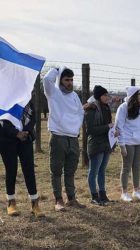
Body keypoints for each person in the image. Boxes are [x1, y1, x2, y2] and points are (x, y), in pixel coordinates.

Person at [43, 67, 85, 211]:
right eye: (67, 79)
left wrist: (75, 128)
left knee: (70, 170)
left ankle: (71, 198)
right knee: (56, 170)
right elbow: (46, 80)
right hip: (58, 136)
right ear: (60, 79)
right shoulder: (53, 92)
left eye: (71, 80)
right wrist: (56, 69)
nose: (70, 82)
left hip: (73, 138)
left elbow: (80, 113)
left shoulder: (74, 96)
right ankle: (58, 200)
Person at [0, 101, 45, 217]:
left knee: (29, 170)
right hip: (7, 139)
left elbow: (33, 115)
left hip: (25, 138)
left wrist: (27, 131)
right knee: (11, 170)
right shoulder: (4, 95)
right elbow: (2, 118)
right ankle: (11, 202)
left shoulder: (25, 94)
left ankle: (35, 203)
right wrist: (16, 133)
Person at [115, 86, 140, 202]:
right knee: (126, 167)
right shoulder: (123, 108)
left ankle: (136, 191)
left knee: (137, 166)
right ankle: (124, 192)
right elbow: (119, 127)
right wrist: (122, 145)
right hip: (128, 141)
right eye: (139, 95)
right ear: (133, 96)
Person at [85, 85, 115, 205]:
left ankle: (103, 194)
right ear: (99, 96)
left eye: (107, 95)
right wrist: (107, 127)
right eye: (105, 95)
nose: (107, 97)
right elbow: (90, 130)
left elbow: (108, 126)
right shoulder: (91, 109)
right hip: (96, 145)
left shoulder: (106, 108)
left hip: (106, 144)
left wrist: (114, 131)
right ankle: (94, 196)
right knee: (94, 171)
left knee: (102, 171)